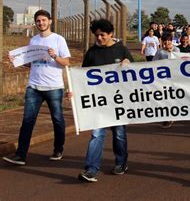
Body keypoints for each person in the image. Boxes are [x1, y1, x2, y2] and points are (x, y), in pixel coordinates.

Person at [3, 10, 71, 166]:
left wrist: (54, 56)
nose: (41, 23)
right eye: (38, 21)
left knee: (57, 119)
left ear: (50, 21)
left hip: (54, 87)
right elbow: (30, 63)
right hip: (34, 86)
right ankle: (21, 155)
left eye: (44, 20)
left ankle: (58, 149)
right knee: (27, 120)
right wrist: (16, 60)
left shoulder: (58, 40)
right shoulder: (33, 40)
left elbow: (66, 62)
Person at [77, 19, 133, 182]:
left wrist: (128, 63)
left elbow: (135, 72)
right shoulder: (92, 52)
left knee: (119, 134)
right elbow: (83, 75)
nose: (99, 38)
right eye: (96, 35)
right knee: (96, 134)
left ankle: (121, 163)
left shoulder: (121, 50)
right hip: (98, 101)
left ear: (110, 34)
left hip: (118, 101)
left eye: (102, 35)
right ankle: (91, 169)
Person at [154, 32, 180, 129]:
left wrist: (171, 52)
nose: (167, 42)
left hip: (174, 77)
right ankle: (167, 116)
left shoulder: (177, 49)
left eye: (169, 40)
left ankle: (172, 116)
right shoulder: (160, 52)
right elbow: (153, 64)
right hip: (163, 78)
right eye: (165, 41)